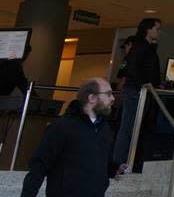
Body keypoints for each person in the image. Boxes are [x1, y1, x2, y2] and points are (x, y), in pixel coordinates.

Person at [21, 77, 117, 197]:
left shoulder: (104, 129)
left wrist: (114, 169)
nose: (113, 98)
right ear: (92, 98)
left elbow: (102, 162)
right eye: (108, 94)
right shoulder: (62, 126)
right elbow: (39, 165)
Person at [112, 18, 162, 174]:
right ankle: (120, 163)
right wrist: (144, 85)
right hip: (136, 92)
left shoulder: (145, 47)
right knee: (128, 128)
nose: (158, 32)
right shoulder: (141, 47)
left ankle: (125, 162)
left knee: (131, 128)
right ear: (148, 29)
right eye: (157, 29)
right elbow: (133, 70)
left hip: (139, 91)